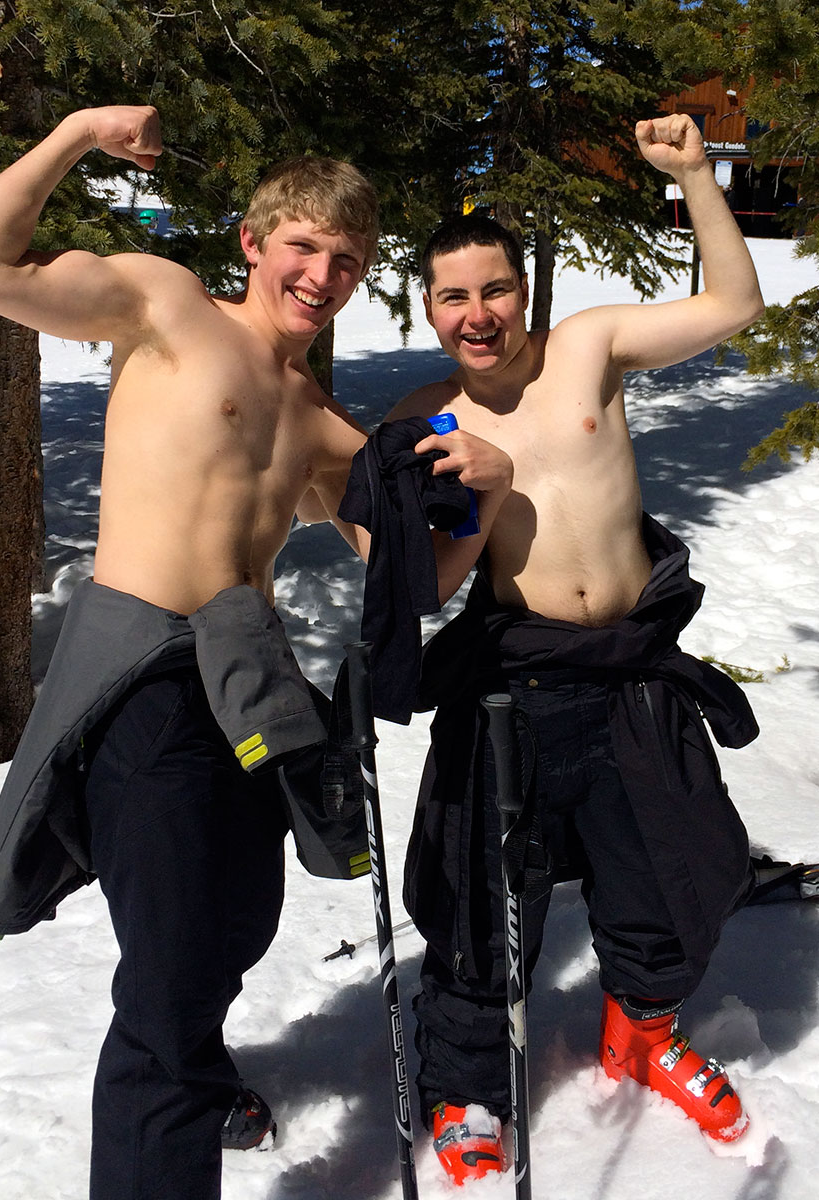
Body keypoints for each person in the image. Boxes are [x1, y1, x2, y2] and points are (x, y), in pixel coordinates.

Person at [0, 105, 512, 1199]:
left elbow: (412, 581)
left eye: (346, 260)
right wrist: (75, 135)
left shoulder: (320, 421)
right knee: (175, 963)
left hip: (243, 684)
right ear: (254, 243)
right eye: (303, 245)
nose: (321, 273)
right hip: (141, 672)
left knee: (239, 914)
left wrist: (490, 498)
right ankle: (165, 1123)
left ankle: (194, 1060)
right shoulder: (165, 306)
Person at [385, 114, 767, 1184]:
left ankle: (643, 1026)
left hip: (635, 668)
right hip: (518, 684)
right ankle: (466, 1086)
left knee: (669, 866)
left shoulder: (589, 348)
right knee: (474, 898)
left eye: (495, 289)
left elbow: (735, 305)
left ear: (526, 290)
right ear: (428, 307)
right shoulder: (427, 418)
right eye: (454, 295)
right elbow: (392, 556)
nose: (478, 313)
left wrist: (695, 174)